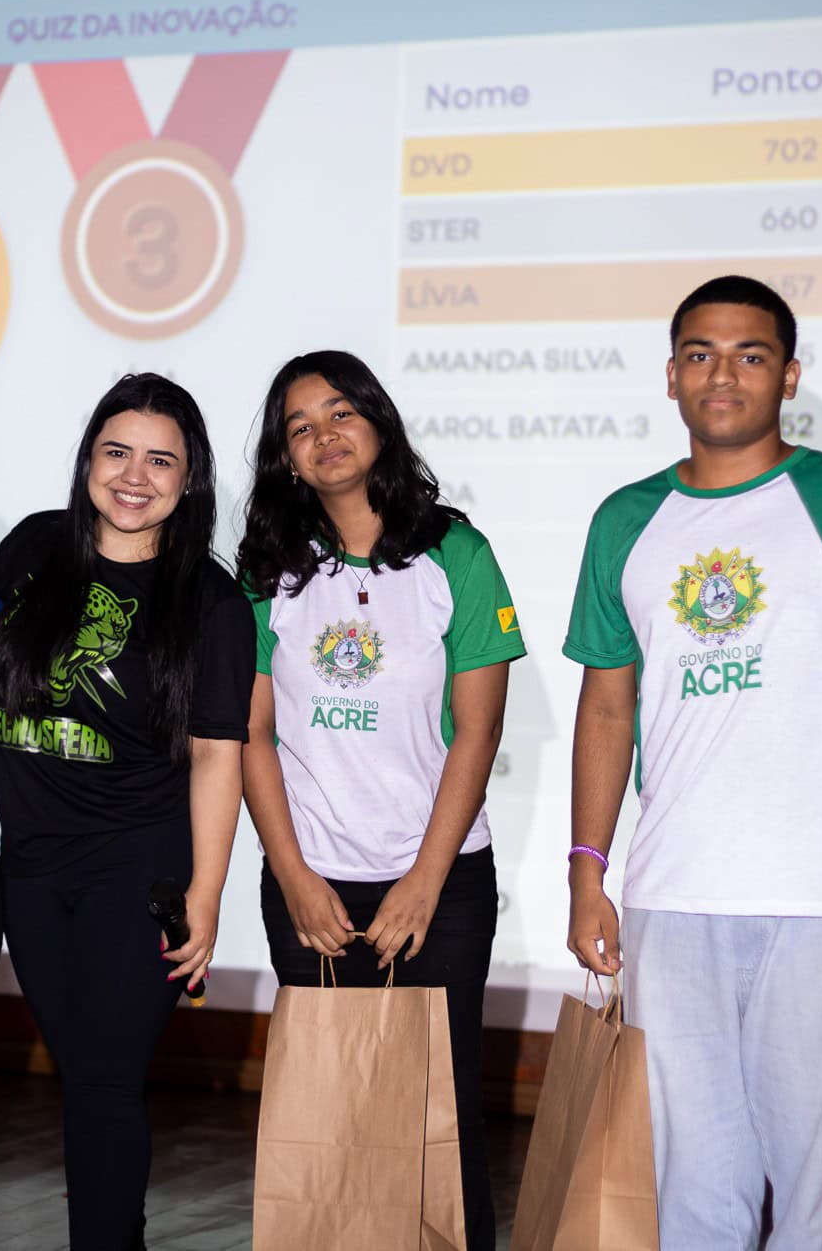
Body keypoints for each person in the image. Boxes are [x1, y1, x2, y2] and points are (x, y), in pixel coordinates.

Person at [564, 276, 822, 1248]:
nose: (722, 374)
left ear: (789, 376)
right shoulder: (624, 520)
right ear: (670, 375)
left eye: (750, 354)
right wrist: (586, 873)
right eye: (700, 354)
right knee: (691, 1185)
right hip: (671, 898)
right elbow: (605, 705)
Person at [236, 350, 524, 1250]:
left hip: (439, 885)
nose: (323, 435)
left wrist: (424, 883)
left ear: (378, 423)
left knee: (440, 1119)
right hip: (310, 889)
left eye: (340, 413)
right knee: (330, 1124)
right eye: (300, 426)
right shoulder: (268, 570)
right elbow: (251, 735)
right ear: (286, 458)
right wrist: (294, 877)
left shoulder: (456, 553)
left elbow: (478, 731)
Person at [0, 373, 254, 1249]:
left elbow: (217, 754)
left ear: (190, 477)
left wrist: (205, 893)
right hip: (31, 868)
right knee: (86, 1076)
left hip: (137, 866)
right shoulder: (34, 548)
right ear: (88, 459)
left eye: (160, 460)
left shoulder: (210, 601)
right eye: (117, 451)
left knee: (103, 1081)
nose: (135, 475)